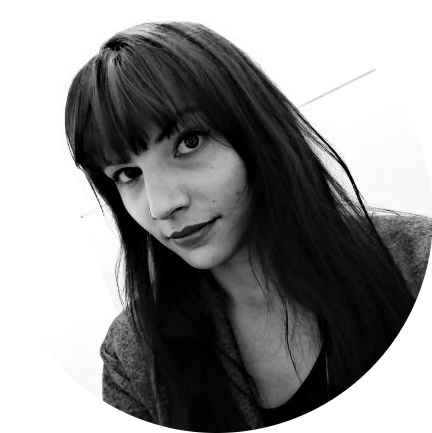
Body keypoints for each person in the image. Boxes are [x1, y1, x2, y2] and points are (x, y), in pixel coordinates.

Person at [64, 22, 432, 433]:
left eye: (189, 142)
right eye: (128, 174)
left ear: (254, 130)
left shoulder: (418, 267)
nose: (162, 205)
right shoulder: (133, 356)